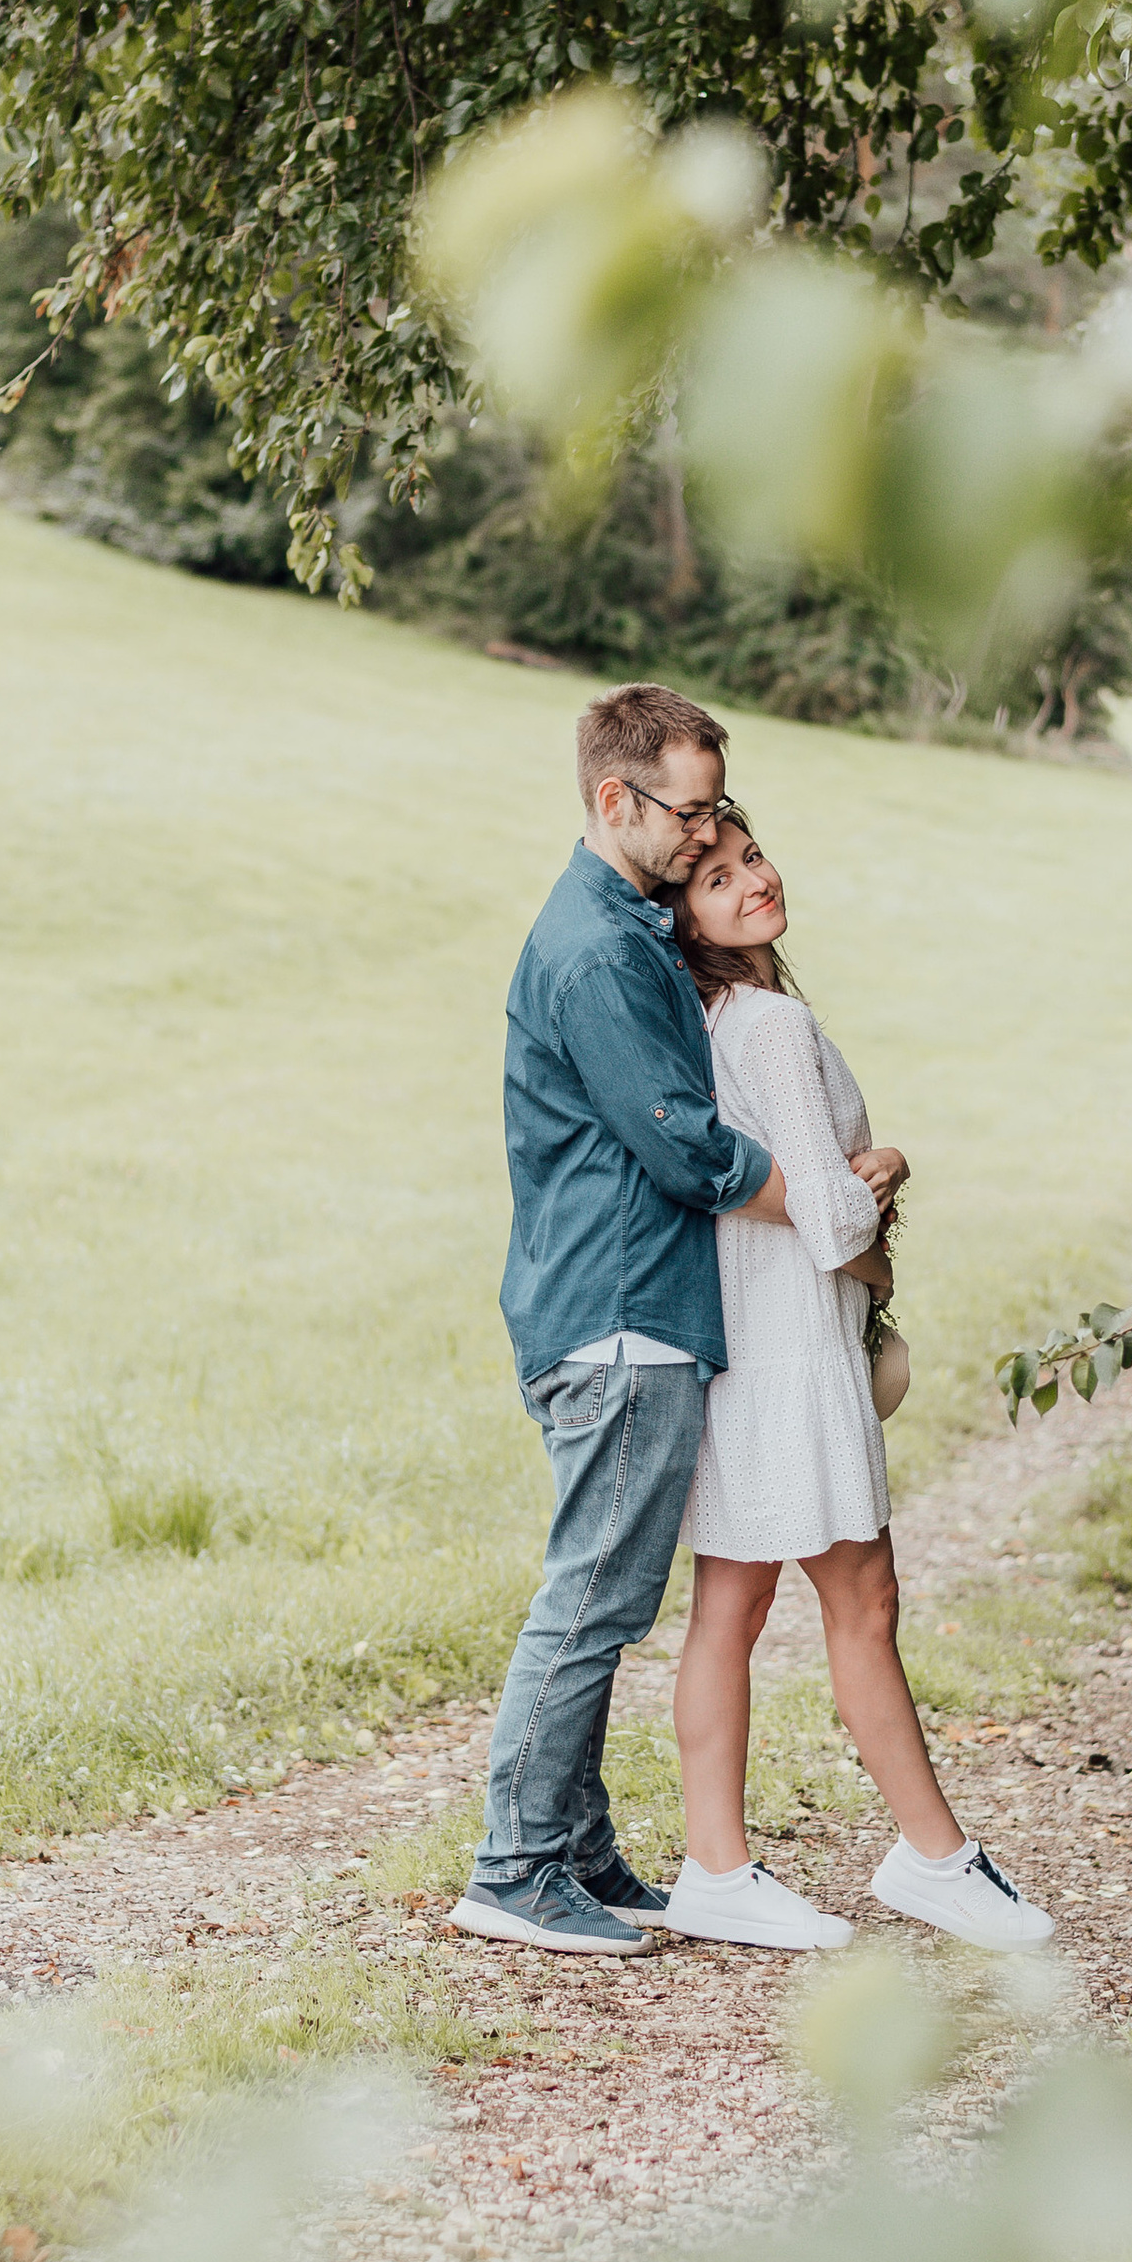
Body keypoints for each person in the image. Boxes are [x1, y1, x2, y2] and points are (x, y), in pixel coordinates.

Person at [659, 810, 1056, 1954]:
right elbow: (831, 1220)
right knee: (863, 1599)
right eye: (717, 878)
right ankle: (936, 1860)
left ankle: (717, 1865)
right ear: (683, 918)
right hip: (790, 1353)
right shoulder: (772, 1022)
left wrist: (857, 1182)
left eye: (751, 857)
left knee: (729, 1609)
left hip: (744, 1343)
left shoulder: (708, 1022)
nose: (752, 883)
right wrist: (887, 1174)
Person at [449, 684, 794, 1959]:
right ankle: (515, 1865)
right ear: (616, 800)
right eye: (692, 814)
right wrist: (824, 1209)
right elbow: (680, 1145)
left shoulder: (623, 921)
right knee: (593, 1598)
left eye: (716, 812)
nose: (708, 838)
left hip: (624, 1308)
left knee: (611, 1593)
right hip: (618, 1312)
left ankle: (578, 1849)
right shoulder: (595, 948)